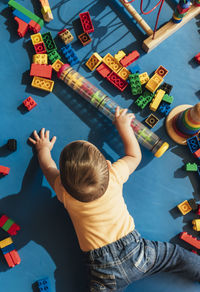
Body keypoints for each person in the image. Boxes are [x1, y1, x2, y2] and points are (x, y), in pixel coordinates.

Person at [29, 107, 200, 291]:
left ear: (63, 181)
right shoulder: (113, 176)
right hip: (139, 253)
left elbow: (48, 167)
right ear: (107, 165)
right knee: (177, 257)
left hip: (104, 270)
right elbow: (134, 156)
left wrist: (43, 148)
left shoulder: (64, 192)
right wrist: (124, 126)